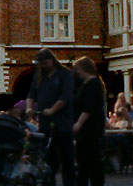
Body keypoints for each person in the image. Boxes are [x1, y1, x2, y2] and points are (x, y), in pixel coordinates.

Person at [26, 48, 75, 186]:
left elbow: (66, 97)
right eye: (40, 63)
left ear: (52, 60)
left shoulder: (64, 74)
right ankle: (49, 182)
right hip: (45, 123)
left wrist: (53, 109)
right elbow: (31, 94)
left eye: (45, 62)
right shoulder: (39, 75)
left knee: (67, 158)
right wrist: (29, 108)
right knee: (48, 158)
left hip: (63, 123)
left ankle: (70, 183)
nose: (43, 66)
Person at [72, 57, 106, 186]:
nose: (77, 73)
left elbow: (88, 107)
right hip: (89, 128)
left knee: (89, 158)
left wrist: (79, 123)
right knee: (87, 159)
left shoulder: (92, 84)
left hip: (89, 128)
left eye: (78, 70)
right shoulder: (91, 84)